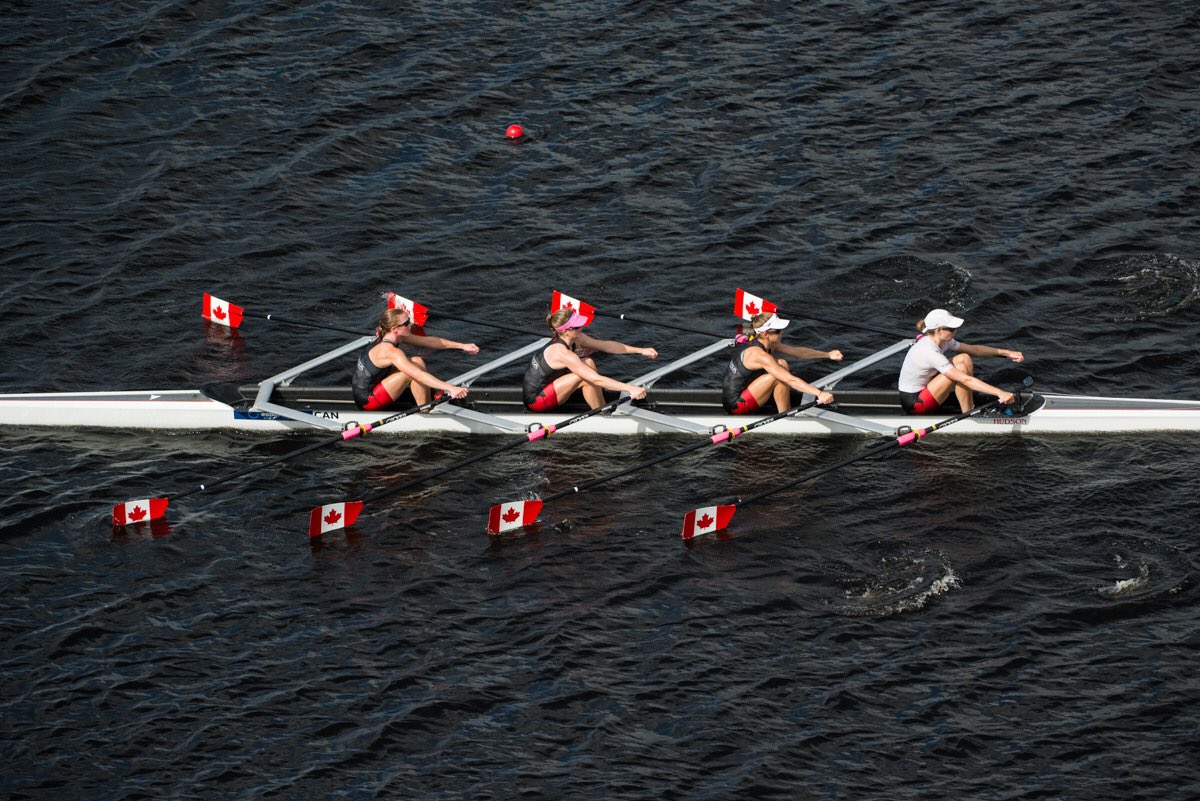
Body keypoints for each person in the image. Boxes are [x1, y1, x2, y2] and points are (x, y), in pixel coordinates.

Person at [523, 309, 657, 410]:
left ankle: (600, 404)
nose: (582, 328)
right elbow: (596, 379)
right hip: (537, 401)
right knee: (585, 377)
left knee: (588, 362)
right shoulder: (561, 352)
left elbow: (605, 345)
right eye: (577, 327)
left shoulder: (576, 337)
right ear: (565, 331)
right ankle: (602, 414)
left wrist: (641, 351)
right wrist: (630, 388)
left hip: (550, 388)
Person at [897, 308, 1024, 414]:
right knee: (961, 371)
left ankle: (968, 409)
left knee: (964, 359)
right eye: (951, 329)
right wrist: (1000, 393)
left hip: (926, 389)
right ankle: (969, 414)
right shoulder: (929, 351)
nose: (955, 331)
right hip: (916, 404)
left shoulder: (942, 341)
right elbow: (965, 379)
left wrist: (1007, 353)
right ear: (939, 330)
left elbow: (975, 350)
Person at [352, 308, 478, 410]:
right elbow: (419, 375)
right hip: (368, 400)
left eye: (409, 320)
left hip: (374, 384)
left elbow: (429, 341)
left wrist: (462, 346)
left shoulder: (389, 335)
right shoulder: (390, 351)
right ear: (395, 329)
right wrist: (450, 387)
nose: (411, 324)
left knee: (417, 360)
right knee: (411, 373)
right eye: (406, 323)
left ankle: (428, 398)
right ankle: (426, 410)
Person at [722, 312, 839, 413]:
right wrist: (819, 393)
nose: (781, 333)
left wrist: (828, 354)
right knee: (779, 376)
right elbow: (789, 379)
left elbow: (798, 352)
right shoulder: (759, 354)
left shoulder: (767, 342)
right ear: (765, 334)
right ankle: (786, 415)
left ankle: (782, 406)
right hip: (737, 405)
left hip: (745, 390)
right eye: (777, 331)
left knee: (782, 363)